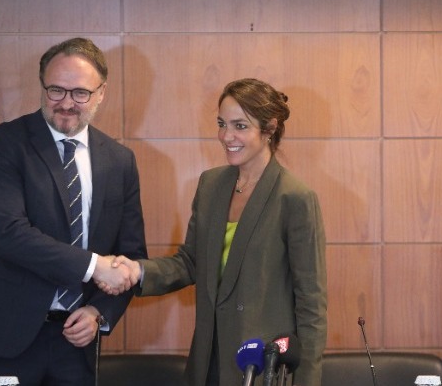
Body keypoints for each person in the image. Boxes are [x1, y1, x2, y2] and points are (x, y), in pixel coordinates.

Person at [104, 78, 327, 385]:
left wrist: (306, 382)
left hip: (262, 369)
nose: (226, 136)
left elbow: (311, 305)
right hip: (207, 363)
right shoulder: (211, 185)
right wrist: (137, 271)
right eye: (222, 124)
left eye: (240, 126)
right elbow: (190, 262)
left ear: (269, 128)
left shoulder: (295, 198)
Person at [0, 37, 147, 385]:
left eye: (80, 93)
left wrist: (98, 312)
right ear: (42, 85)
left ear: (101, 92)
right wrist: (95, 266)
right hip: (5, 335)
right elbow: (8, 234)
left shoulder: (120, 161)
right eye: (56, 90)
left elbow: (131, 253)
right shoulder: (3, 143)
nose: (67, 103)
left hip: (77, 343)